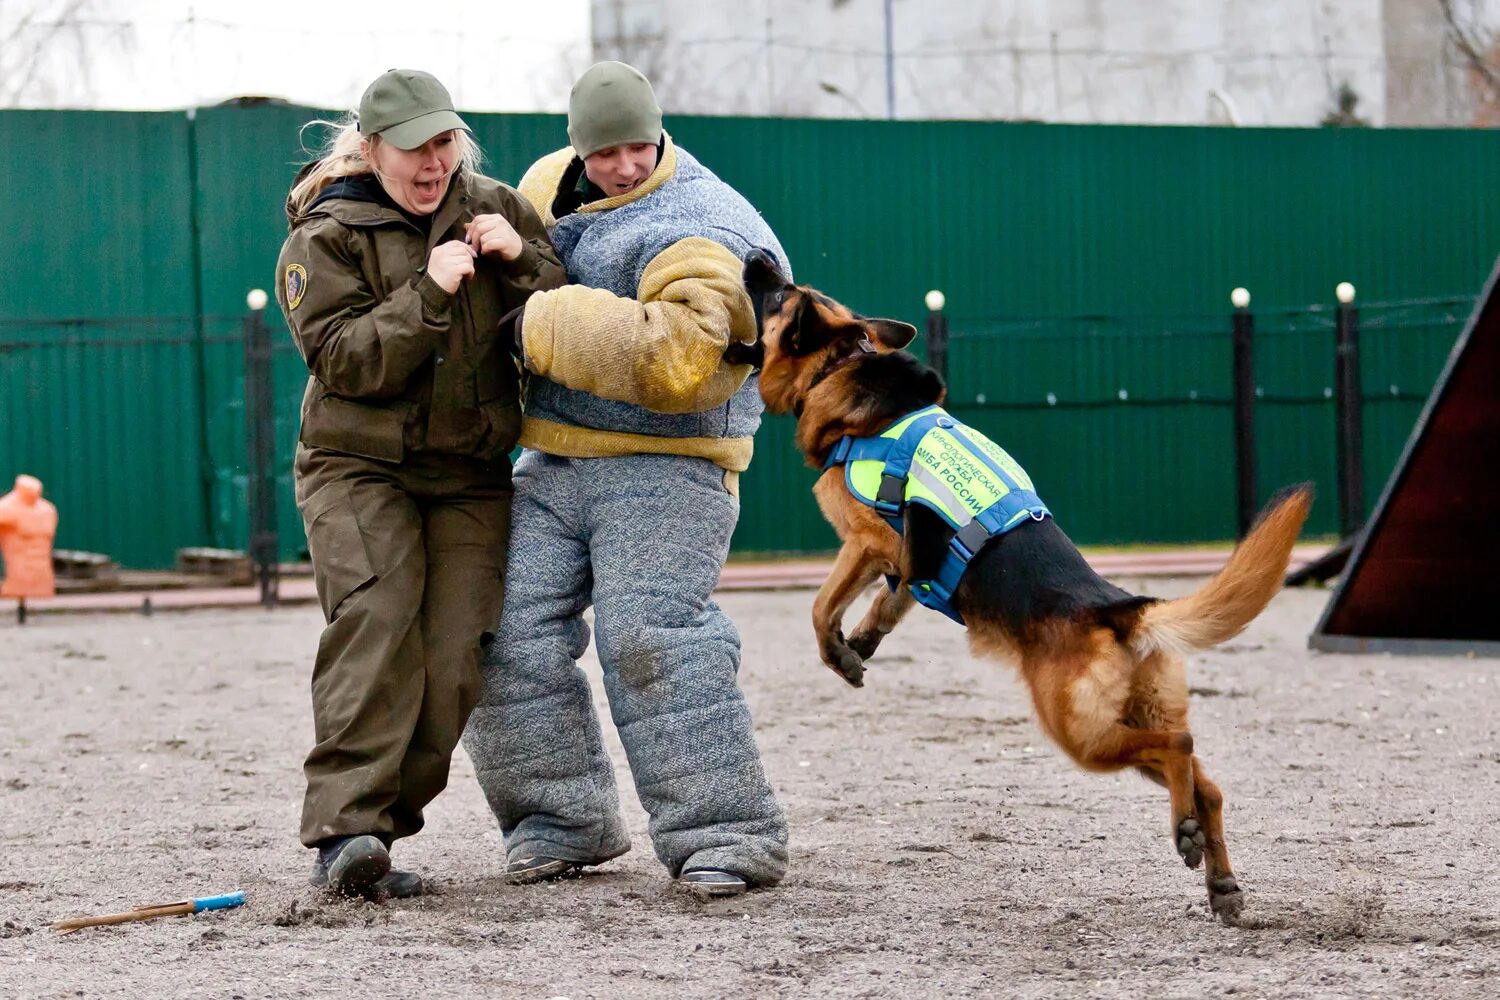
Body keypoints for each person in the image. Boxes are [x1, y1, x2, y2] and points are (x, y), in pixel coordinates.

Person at [462, 61, 790, 899]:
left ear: (660, 135)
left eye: (640, 148)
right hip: (556, 456)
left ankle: (728, 835)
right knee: (496, 630)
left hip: (673, 467)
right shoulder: (542, 186)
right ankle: (559, 822)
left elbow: (683, 361)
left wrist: (544, 316)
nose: (626, 168)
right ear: (579, 150)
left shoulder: (705, 225)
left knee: (649, 639)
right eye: (606, 154)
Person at [275, 68, 566, 899]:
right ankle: (344, 833)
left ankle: (380, 837)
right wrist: (428, 290)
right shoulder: (327, 234)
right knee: (377, 617)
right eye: (414, 147)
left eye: (444, 141)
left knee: (457, 652)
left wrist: (525, 265)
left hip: (470, 471)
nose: (433, 160)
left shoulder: (496, 206)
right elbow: (344, 362)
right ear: (371, 150)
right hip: (357, 463)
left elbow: (564, 313)